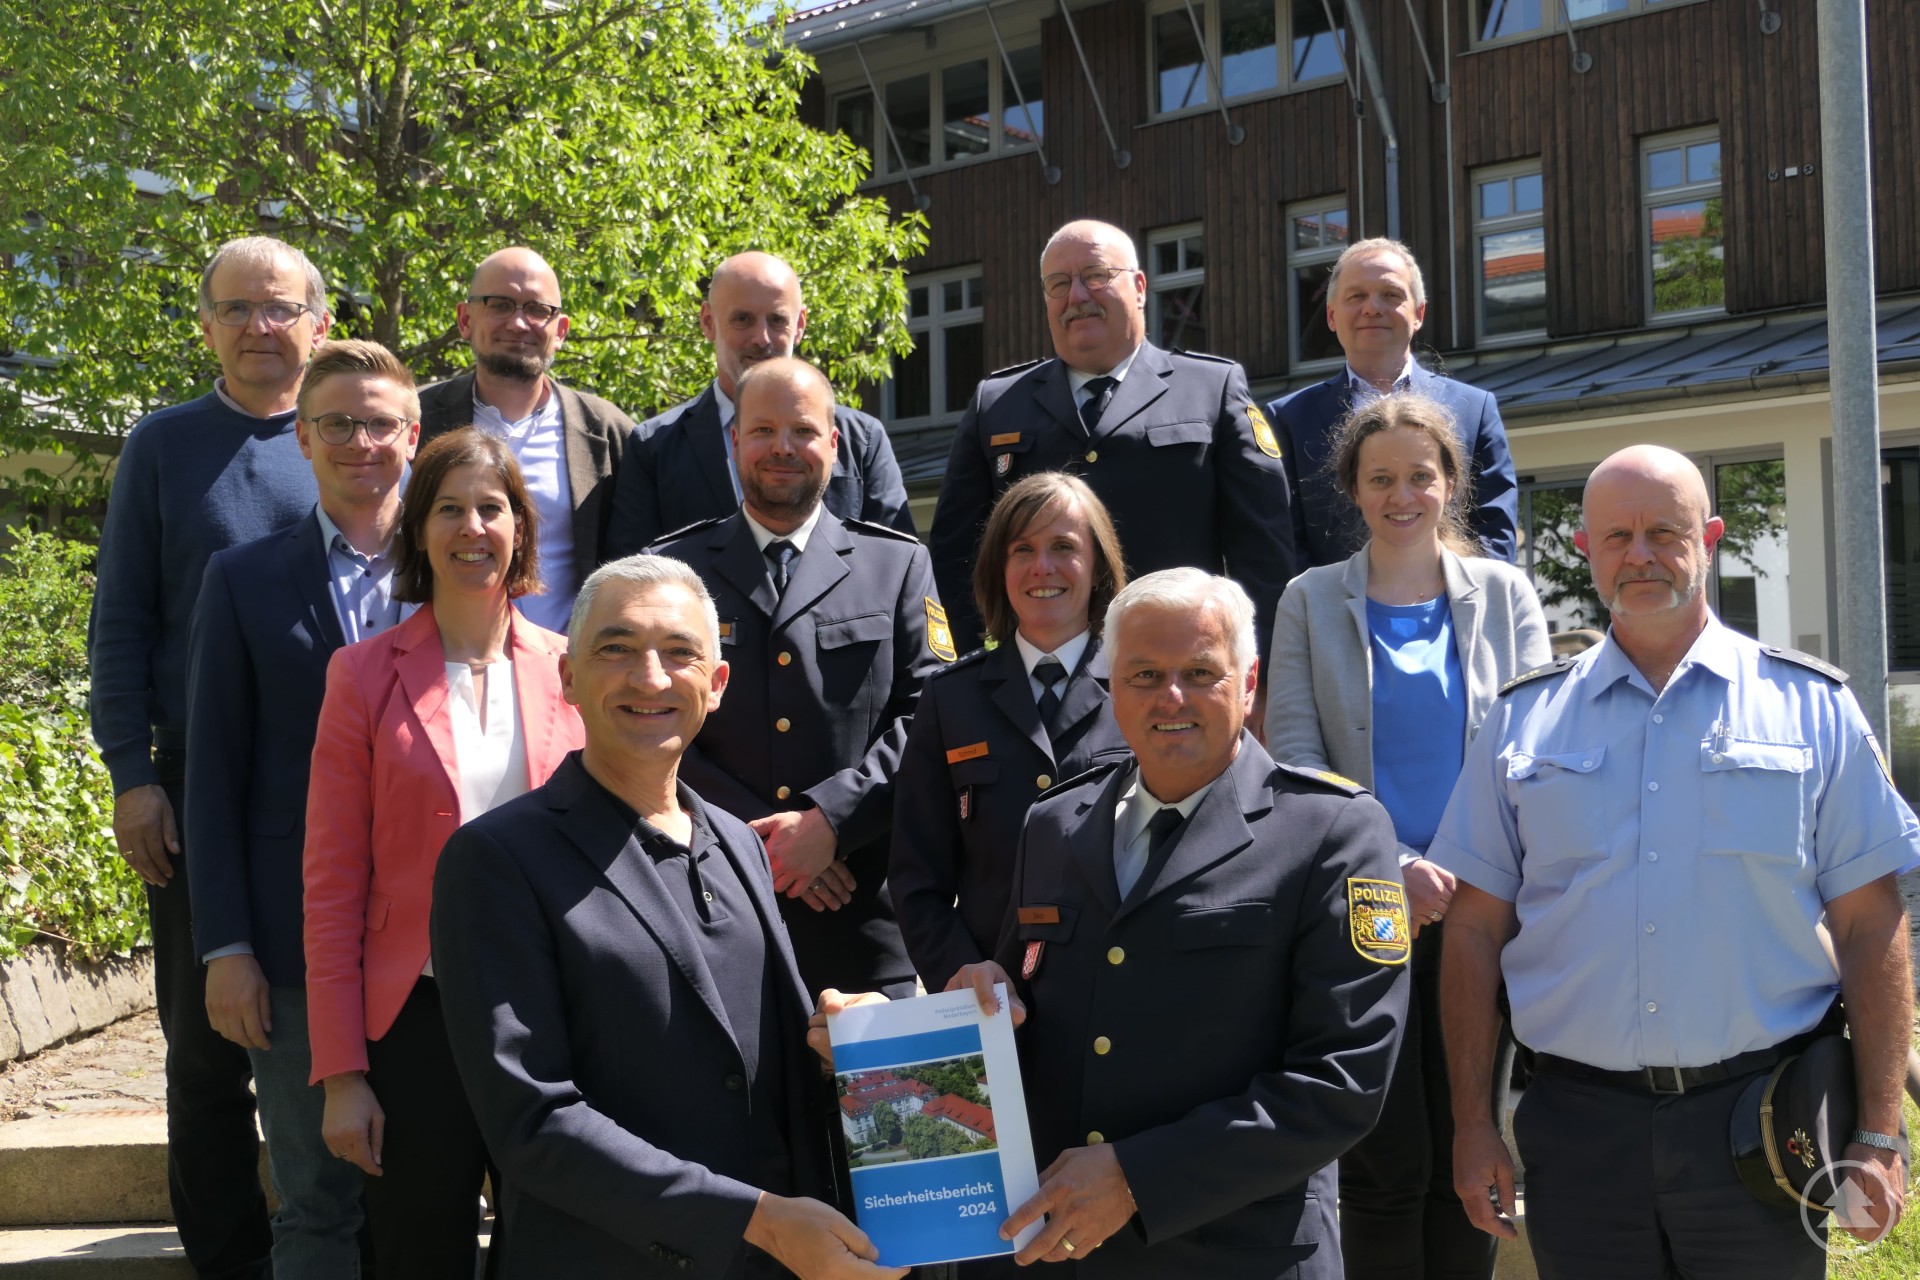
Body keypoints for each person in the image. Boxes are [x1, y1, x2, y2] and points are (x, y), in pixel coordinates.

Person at [1432, 444, 1919, 1279]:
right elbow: (1473, 932)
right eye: (1616, 536)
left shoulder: (1812, 706)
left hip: (1760, 1128)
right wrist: (1474, 1125)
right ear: (1585, 549)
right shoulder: (1523, 723)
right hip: (1577, 1131)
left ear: (1712, 537)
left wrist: (1878, 1129)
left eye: (1666, 531)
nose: (1641, 555)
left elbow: (1871, 921)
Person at [430, 554, 908, 1279]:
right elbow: (532, 1122)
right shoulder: (496, 861)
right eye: (615, 649)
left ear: (715, 685)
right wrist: (751, 1222)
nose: (650, 677)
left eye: (680, 653)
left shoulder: (742, 846)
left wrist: (843, 1037)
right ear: (568, 677)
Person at [950, 568, 1410, 1276]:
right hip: (1067, 1254)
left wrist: (1139, 1176)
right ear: (1110, 686)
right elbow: (1027, 1002)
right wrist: (985, 994)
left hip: (1238, 1254)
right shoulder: (1054, 823)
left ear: (1248, 683)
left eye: (1201, 672)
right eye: (1144, 674)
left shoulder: (1334, 832)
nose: (1172, 698)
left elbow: (1341, 1082)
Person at [1262, 391, 1550, 1280]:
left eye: (1420, 476)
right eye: (1380, 477)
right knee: (1384, 1160)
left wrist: (1464, 866)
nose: (1401, 495)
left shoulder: (1505, 594)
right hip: (1366, 905)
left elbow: (1538, 747)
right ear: (1353, 487)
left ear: (1450, 482)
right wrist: (1395, 861)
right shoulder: (1309, 601)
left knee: (1470, 1147)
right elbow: (1300, 761)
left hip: (1482, 907)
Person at [89, 233, 333, 1278]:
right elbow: (120, 622)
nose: (258, 328)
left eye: (278, 309)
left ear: (318, 325)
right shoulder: (164, 445)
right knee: (203, 1045)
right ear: (206, 327)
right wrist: (131, 773)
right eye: (235, 309)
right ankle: (230, 1256)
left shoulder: (360, 439)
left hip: (344, 777)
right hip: (197, 787)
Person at [303, 428, 584, 1278]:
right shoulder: (360, 677)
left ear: (521, 529)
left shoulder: (576, 669)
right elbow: (331, 884)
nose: (473, 527)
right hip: (415, 1020)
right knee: (419, 1253)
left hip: (554, 1011)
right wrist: (344, 1072)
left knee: (558, 1248)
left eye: (491, 508)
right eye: (450, 509)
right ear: (419, 531)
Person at [184, 339, 421, 1277]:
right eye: (336, 425)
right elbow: (216, 780)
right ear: (302, 440)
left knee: (432, 1192)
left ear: (413, 435)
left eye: (378, 423)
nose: (359, 441)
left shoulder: (464, 566)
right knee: (316, 1204)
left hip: (437, 939)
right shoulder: (241, 581)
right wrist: (226, 947)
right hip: (287, 944)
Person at [649, 356, 943, 1000]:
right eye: (762, 430)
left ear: (834, 446)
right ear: (734, 442)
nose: (783, 448)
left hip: (863, 923)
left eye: (804, 430)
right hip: (712, 909)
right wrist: (767, 841)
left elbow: (931, 716)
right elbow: (650, 718)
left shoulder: (897, 566)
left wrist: (832, 822)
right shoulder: (669, 572)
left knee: (894, 1104)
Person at [927, 219, 1295, 662]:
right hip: (1038, 679)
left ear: (1140, 287)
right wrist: (970, 673)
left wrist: (1265, 671)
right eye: (1058, 284)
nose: (1077, 297)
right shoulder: (997, 404)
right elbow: (954, 556)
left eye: (1096, 276)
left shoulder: (1211, 389)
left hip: (1175, 669)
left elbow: (1264, 551)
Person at [890, 472, 1131, 993]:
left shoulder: (1144, 686)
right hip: (991, 1004)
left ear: (1098, 565)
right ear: (999, 569)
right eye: (1022, 549)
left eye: (1063, 546)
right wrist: (962, 974)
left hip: (1118, 998)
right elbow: (917, 880)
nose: (1041, 567)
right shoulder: (949, 698)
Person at [607, 250, 914, 554]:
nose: (762, 338)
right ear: (708, 322)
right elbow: (631, 578)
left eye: (778, 320)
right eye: (743, 319)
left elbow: (896, 564)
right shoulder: (654, 447)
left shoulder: (862, 440)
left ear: (800, 325)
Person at [418, 246, 637, 631]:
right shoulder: (416, 422)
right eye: (500, 305)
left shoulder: (608, 433)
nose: (518, 324)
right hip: (441, 663)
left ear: (561, 330)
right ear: (465, 318)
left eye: (537, 309)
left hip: (567, 675)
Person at [1267, 238, 1518, 569]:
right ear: (1331, 316)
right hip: (1333, 615)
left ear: (1418, 313)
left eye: (1391, 295)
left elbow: (1496, 534)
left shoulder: (1474, 410)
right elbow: (1281, 541)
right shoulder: (1287, 420)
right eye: (1356, 296)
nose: (1372, 307)